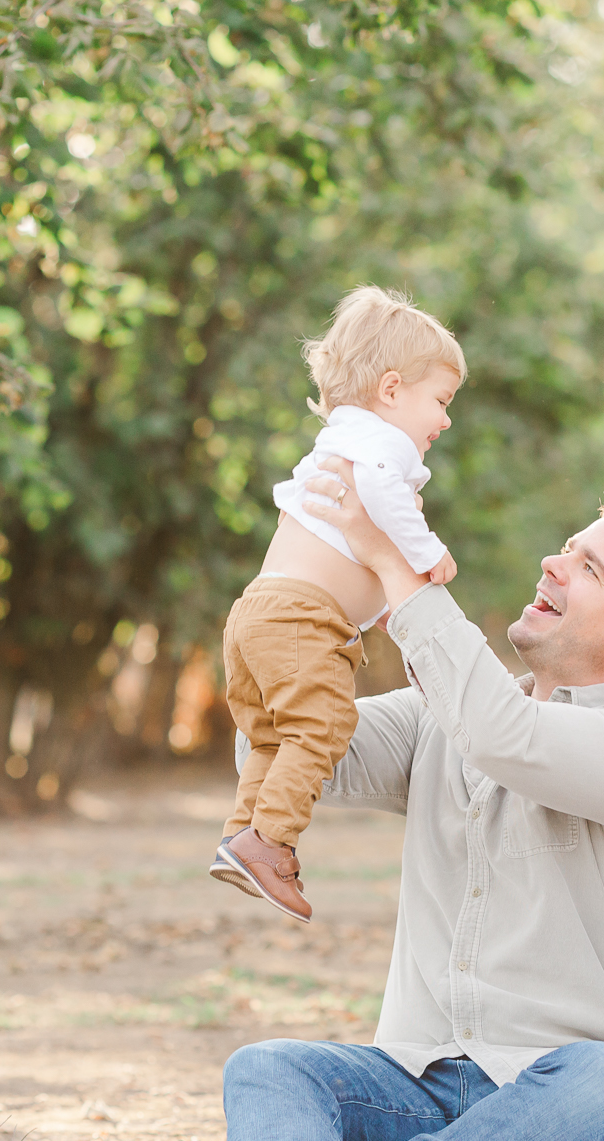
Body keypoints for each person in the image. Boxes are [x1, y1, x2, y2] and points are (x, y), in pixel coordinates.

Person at [111, 488, 604, 1141]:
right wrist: (302, 600)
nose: (553, 562)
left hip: (564, 1107)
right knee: (269, 1067)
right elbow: (286, 746)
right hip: (418, 1086)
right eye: (566, 545)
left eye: (588, 565)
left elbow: (509, 737)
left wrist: (399, 564)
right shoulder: (450, 717)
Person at [209, 285, 464, 923]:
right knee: (323, 728)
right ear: (391, 389)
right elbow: (382, 495)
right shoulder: (383, 446)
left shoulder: (344, 436)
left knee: (273, 736)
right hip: (302, 619)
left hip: (259, 613)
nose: (445, 420)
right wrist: (428, 551)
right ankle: (268, 844)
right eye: (441, 401)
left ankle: (245, 835)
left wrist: (384, 607)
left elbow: (352, 553)